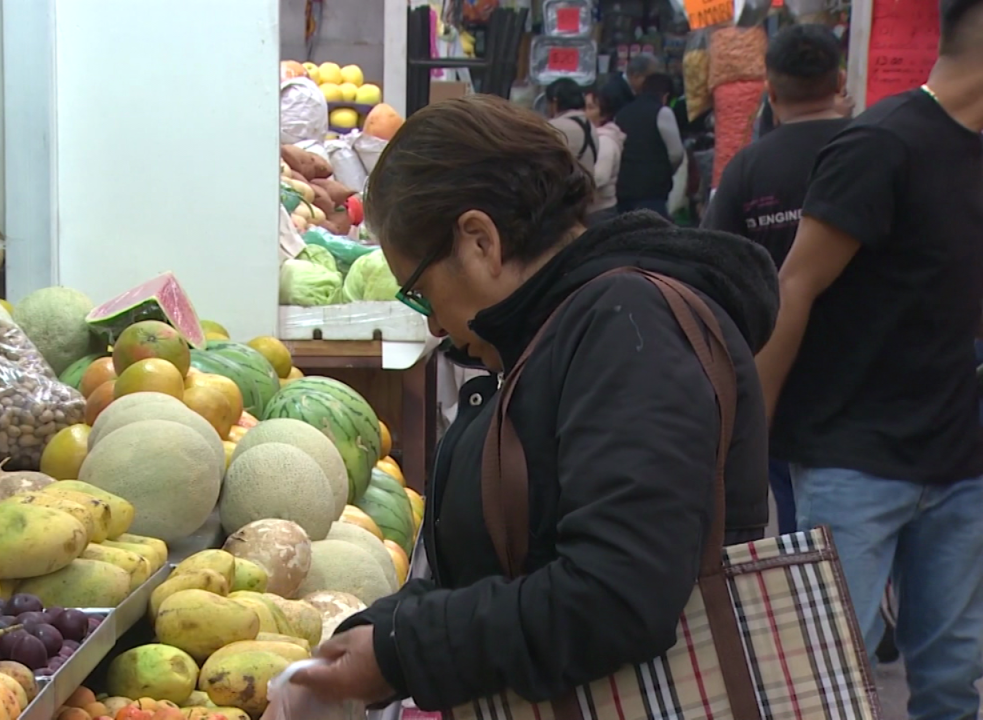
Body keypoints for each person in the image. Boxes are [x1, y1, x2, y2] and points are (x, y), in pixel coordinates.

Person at [289, 94, 774, 711]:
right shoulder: (565, 329)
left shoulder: (630, 328)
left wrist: (402, 648)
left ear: (479, 240)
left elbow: (618, 595)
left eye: (419, 292)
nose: (435, 323)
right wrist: (389, 625)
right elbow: (526, 549)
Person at [754, 0, 983, 716]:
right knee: (823, 686)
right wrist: (742, 442)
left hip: (960, 464)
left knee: (949, 681)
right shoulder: (882, 145)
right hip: (851, 458)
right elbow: (796, 286)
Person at [702, 24, 849, 537]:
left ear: (770, 89)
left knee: (800, 531)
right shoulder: (875, 151)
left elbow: (713, 270)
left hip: (777, 381)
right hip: (877, 380)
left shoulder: (748, 167)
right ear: (840, 80)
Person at [615, 73, 684, 218]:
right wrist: (667, 170)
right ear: (665, 96)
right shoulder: (662, 112)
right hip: (653, 190)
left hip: (624, 189)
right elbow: (676, 153)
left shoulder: (622, 113)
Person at [584, 85, 626, 226]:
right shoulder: (588, 135)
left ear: (603, 114)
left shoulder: (605, 140)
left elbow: (600, 178)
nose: (584, 112)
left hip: (599, 212)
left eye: (590, 108)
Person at [545, 79, 599, 177]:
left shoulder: (555, 127)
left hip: (563, 190)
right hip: (587, 190)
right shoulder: (592, 127)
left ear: (554, 101)